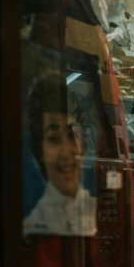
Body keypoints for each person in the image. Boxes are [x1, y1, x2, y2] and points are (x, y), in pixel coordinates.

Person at [24, 76, 97, 237]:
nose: (66, 152)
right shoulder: (34, 229)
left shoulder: (99, 212)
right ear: (39, 151)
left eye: (72, 135)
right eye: (54, 138)